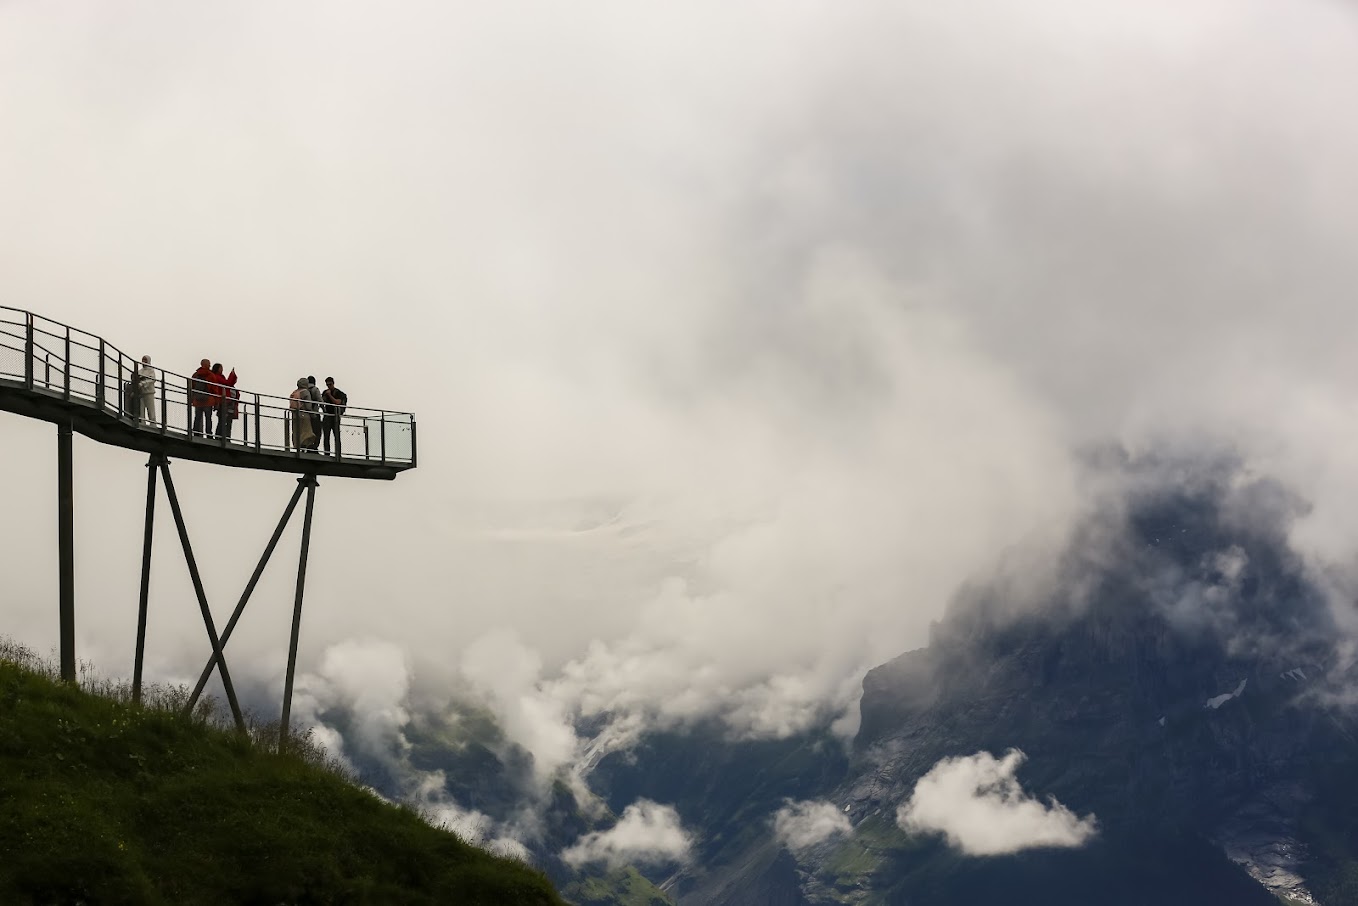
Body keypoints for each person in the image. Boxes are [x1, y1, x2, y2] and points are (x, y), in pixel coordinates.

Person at [321, 376, 347, 455]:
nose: (329, 386)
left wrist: (330, 396)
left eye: (330, 384)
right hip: (327, 416)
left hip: (335, 416)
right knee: (326, 436)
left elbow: (337, 402)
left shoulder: (339, 393)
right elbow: (322, 402)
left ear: (333, 383)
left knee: (336, 436)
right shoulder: (325, 392)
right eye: (327, 385)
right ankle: (327, 453)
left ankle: (338, 453)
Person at [189, 358, 215, 437]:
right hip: (208, 400)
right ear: (207, 365)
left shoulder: (195, 375)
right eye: (209, 364)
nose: (210, 365)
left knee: (197, 418)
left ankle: (196, 432)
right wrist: (215, 401)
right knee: (208, 418)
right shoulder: (211, 375)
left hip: (197, 400)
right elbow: (214, 388)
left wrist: (191, 398)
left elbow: (191, 387)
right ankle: (209, 434)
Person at [289, 378, 317, 449]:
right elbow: (308, 406)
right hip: (304, 414)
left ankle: (297, 446)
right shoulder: (305, 392)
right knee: (306, 432)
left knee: (296, 431)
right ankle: (304, 446)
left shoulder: (294, 392)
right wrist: (313, 415)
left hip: (295, 415)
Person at [214, 364, 238, 440]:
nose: (222, 369)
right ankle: (219, 436)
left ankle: (222, 436)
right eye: (221, 368)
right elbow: (228, 383)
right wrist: (232, 375)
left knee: (223, 420)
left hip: (224, 401)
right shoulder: (217, 377)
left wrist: (233, 376)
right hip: (222, 401)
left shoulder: (219, 377)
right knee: (222, 420)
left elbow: (228, 383)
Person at [134, 355, 157, 425]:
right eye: (143, 360)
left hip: (149, 392)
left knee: (151, 409)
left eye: (145, 360)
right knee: (141, 409)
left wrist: (144, 383)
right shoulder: (140, 371)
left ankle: (153, 424)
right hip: (141, 392)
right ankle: (142, 422)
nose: (143, 362)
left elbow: (152, 379)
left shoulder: (151, 370)